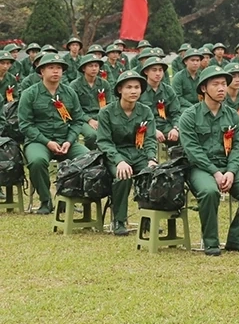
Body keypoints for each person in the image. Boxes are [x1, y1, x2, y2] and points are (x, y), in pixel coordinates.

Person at [178, 66, 239, 256]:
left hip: (228, 166)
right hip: (200, 168)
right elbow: (193, 151)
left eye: (223, 84)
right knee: (209, 191)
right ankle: (210, 241)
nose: (221, 88)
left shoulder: (232, 116)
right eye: (215, 84)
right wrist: (215, 172)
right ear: (204, 88)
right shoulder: (189, 116)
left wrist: (230, 171)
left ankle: (237, 239)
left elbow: (238, 146)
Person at [17, 53, 89, 215]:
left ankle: (68, 198)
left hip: (65, 140)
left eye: (59, 68)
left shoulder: (70, 93)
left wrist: (69, 141)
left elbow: (77, 120)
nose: (56, 71)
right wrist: (47, 142)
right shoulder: (30, 93)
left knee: (87, 158)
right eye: (51, 68)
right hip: (39, 141)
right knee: (36, 161)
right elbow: (25, 124)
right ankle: (45, 200)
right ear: (41, 71)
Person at [97, 70, 158, 236]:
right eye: (129, 87)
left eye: (137, 87)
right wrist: (119, 161)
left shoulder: (145, 111)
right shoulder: (106, 112)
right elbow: (104, 141)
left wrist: (152, 158)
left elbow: (150, 138)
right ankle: (119, 220)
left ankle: (148, 219)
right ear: (119, 90)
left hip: (139, 154)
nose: (133, 91)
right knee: (123, 175)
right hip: (115, 155)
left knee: (152, 174)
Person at [138, 57, 182, 149]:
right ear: (146, 72)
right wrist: (152, 130)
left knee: (184, 138)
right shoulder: (139, 90)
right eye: (154, 70)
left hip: (165, 126)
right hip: (144, 127)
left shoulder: (168, 90)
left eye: (160, 70)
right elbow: (135, 116)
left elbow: (176, 113)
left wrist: (175, 128)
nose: (158, 73)